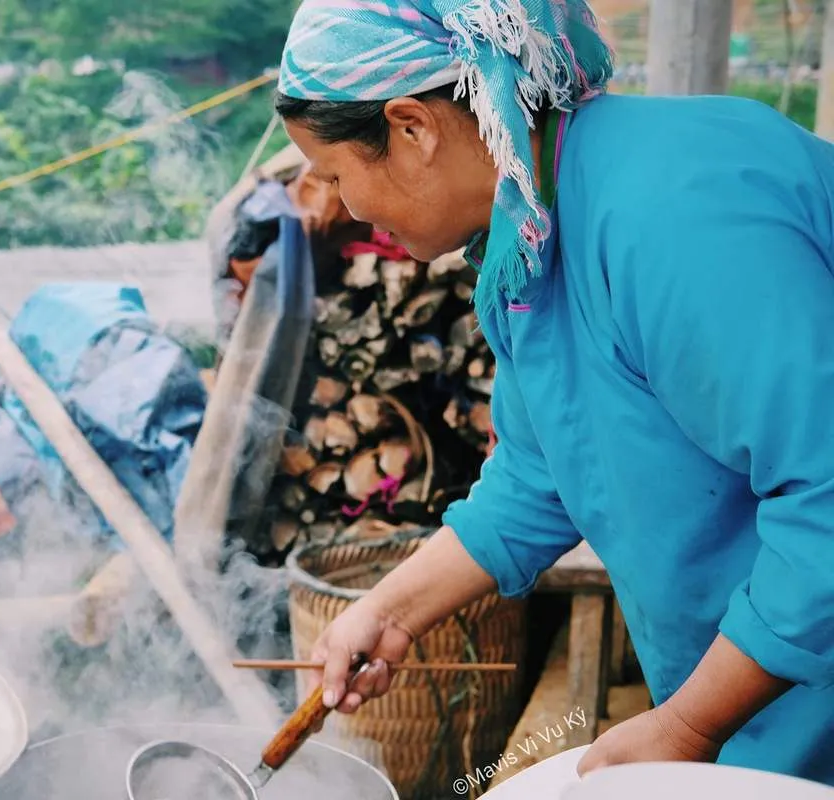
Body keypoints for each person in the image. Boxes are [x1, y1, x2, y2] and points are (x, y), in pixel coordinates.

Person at [273, 0, 834, 787]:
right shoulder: (525, 237)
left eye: (334, 173)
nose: (344, 205)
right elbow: (545, 472)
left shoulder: (672, 214)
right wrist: (390, 612)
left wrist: (688, 724)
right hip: (761, 695)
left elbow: (828, 493)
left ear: (412, 128)